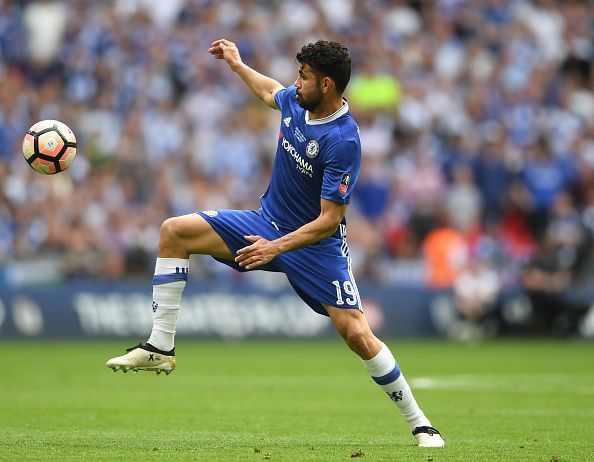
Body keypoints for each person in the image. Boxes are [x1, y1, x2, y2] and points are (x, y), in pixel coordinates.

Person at [106, 38, 444, 448]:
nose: (295, 83)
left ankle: (420, 422)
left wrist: (275, 247)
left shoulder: (343, 140)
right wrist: (236, 64)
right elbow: (269, 91)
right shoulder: (296, 104)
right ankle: (160, 345)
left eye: (303, 76)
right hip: (265, 222)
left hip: (315, 247)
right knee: (173, 231)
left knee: (356, 333)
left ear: (326, 85)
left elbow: (329, 220)